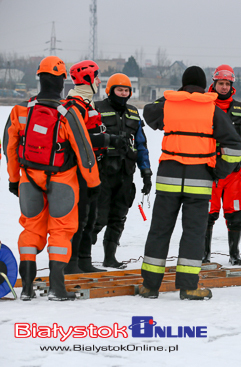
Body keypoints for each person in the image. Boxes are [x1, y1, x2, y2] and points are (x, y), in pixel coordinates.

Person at [139, 66, 241, 300]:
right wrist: (219, 171)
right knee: (194, 233)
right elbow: (235, 146)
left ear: (183, 84)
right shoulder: (212, 109)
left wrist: (175, 96)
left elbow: (148, 112)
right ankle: (188, 287)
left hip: (168, 180)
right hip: (199, 180)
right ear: (205, 84)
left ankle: (149, 286)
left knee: (159, 231)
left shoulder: (168, 104)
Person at [5, 56, 100, 301]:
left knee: (31, 227)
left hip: (28, 179)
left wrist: (14, 178)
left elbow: (9, 147)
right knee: (61, 230)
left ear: (39, 78)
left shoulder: (20, 111)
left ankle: (26, 288)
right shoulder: (67, 113)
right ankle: (57, 289)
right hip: (62, 180)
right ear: (62, 80)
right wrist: (93, 184)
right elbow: (85, 152)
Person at [65, 60, 123, 274]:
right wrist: (109, 140)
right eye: (96, 77)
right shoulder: (74, 106)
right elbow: (79, 139)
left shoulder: (86, 104)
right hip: (77, 170)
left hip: (91, 169)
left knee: (90, 218)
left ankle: (84, 260)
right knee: (79, 219)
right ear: (87, 80)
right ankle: (71, 264)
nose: (99, 82)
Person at [203, 64, 241, 266]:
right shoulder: (204, 106)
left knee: (235, 214)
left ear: (232, 85)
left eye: (227, 84)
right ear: (214, 84)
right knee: (207, 214)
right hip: (209, 170)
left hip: (234, 173)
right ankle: (204, 254)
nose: (224, 87)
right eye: (221, 83)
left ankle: (234, 254)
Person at [92, 73, 152, 269]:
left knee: (118, 217)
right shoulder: (96, 109)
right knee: (97, 217)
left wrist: (146, 172)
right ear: (110, 91)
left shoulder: (134, 113)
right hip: (101, 173)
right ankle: (81, 256)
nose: (123, 93)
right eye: (119, 90)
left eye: (126, 90)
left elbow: (141, 145)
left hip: (126, 174)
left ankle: (110, 257)